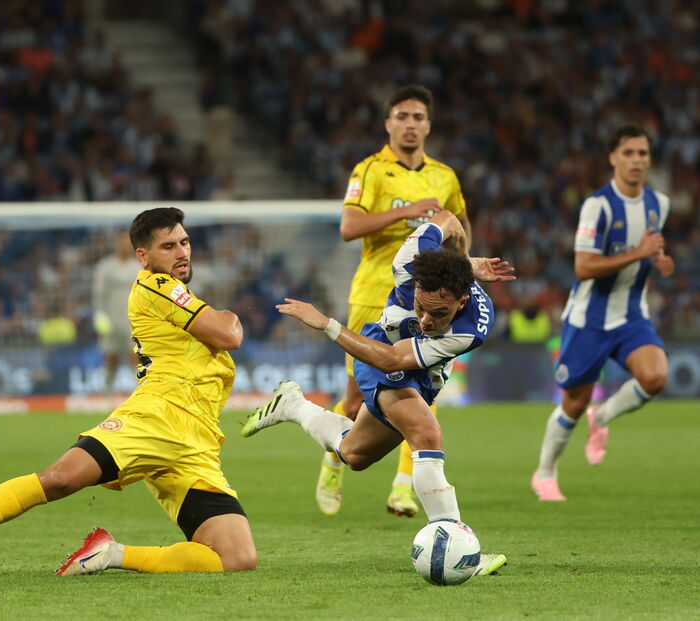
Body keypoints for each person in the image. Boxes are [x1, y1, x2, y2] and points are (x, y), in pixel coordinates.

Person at [0, 207, 257, 578]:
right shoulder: (158, 285)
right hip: (158, 418)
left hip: (197, 441)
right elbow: (230, 335)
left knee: (237, 558)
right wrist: (230, 316)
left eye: (184, 242)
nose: (181, 252)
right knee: (59, 479)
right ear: (143, 256)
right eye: (168, 246)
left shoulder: (180, 298)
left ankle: (110, 554)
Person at [242, 210, 512, 576]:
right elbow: (447, 217)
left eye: (439, 313)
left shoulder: (473, 325)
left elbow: (399, 360)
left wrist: (327, 325)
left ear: (462, 302)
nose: (427, 320)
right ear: (415, 285)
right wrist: (464, 259)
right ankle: (461, 551)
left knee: (354, 454)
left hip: (413, 371)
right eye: (421, 308)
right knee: (426, 433)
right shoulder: (408, 262)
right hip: (378, 350)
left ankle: (293, 405)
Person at [321, 84, 472, 517]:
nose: (410, 124)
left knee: (422, 395)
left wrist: (463, 271)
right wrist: (407, 213)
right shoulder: (370, 170)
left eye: (418, 117)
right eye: (402, 116)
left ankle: (403, 487)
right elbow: (350, 227)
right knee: (355, 402)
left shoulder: (444, 176)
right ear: (388, 123)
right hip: (376, 296)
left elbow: (460, 224)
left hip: (429, 301)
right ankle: (333, 460)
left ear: (429, 124)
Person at [532, 126, 674, 501]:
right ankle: (545, 472)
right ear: (613, 157)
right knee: (574, 402)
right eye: (629, 153)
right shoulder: (599, 205)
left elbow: (649, 248)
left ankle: (603, 417)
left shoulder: (659, 203)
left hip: (630, 314)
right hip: (588, 319)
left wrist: (659, 260)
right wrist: (641, 253)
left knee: (656, 376)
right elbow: (583, 267)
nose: (637, 160)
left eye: (643, 153)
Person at [91, 232, 141, 393]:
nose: (124, 246)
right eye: (121, 243)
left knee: (135, 356)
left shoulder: (138, 267)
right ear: (116, 245)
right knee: (111, 357)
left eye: (127, 243)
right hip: (111, 319)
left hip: (132, 320)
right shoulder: (105, 266)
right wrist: (100, 314)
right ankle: (106, 391)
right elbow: (98, 292)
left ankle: (139, 392)